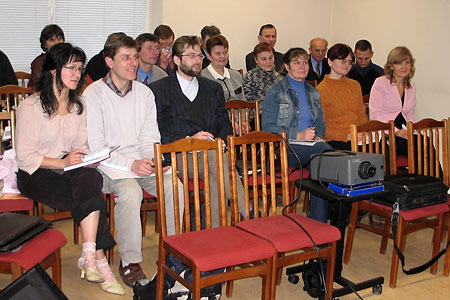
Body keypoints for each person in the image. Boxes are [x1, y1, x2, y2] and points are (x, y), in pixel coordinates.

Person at [15, 43, 124, 295]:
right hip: (36, 171)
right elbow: (25, 156)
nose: (77, 73)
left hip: (69, 169)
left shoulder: (79, 106)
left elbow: (79, 146)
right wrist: (63, 163)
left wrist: (89, 157)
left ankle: (89, 253)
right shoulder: (30, 106)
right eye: (71, 68)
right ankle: (98, 259)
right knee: (91, 192)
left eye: (79, 68)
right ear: (53, 70)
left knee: (90, 176)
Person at [83, 33, 183, 287]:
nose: (133, 63)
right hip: (109, 168)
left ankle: (175, 252)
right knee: (129, 191)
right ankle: (130, 261)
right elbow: (98, 147)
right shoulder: (93, 94)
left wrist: (153, 160)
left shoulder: (144, 93)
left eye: (135, 57)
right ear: (109, 61)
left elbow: (150, 136)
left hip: (141, 162)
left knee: (174, 184)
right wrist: (131, 165)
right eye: (125, 58)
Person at [149, 35, 246, 227]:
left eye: (200, 56)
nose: (197, 60)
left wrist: (222, 142)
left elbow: (223, 123)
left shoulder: (212, 89)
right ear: (176, 59)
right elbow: (157, 130)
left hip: (210, 154)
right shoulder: (158, 90)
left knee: (216, 165)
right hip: (178, 155)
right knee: (217, 160)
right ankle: (246, 213)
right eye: (191, 55)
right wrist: (190, 140)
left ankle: (213, 230)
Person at [262, 47, 332, 223]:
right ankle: (322, 220)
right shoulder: (276, 91)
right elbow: (267, 128)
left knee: (322, 162)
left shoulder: (313, 92)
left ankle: (318, 222)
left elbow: (320, 122)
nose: (302, 66)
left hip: (312, 147)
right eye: (296, 62)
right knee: (326, 154)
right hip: (283, 148)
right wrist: (297, 135)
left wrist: (320, 135)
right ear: (286, 65)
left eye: (305, 62)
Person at [317, 43, 368, 150]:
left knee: (383, 147)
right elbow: (322, 128)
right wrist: (347, 136)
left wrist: (363, 132)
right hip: (336, 140)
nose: (347, 65)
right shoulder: (320, 90)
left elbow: (361, 115)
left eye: (349, 62)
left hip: (356, 137)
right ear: (330, 61)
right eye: (343, 61)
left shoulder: (355, 85)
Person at [369, 46, 416, 156]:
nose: (404, 67)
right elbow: (375, 115)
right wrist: (396, 131)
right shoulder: (380, 83)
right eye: (399, 63)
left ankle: (433, 174)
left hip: (403, 130)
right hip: (385, 132)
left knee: (425, 142)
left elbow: (409, 113)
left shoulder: (411, 86)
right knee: (413, 146)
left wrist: (410, 130)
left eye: (407, 62)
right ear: (391, 65)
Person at [200, 34, 243, 100]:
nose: (222, 56)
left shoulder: (236, 76)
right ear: (209, 56)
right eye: (218, 53)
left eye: (225, 52)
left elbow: (244, 104)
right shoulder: (202, 78)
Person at [243, 42, 282, 114]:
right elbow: (247, 106)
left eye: (270, 58)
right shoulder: (249, 78)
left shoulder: (280, 79)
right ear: (256, 59)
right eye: (263, 59)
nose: (268, 62)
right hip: (258, 118)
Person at [29, 24, 65, 89]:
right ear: (45, 44)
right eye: (52, 40)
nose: (57, 43)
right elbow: (41, 85)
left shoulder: (68, 59)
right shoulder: (39, 62)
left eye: (59, 39)